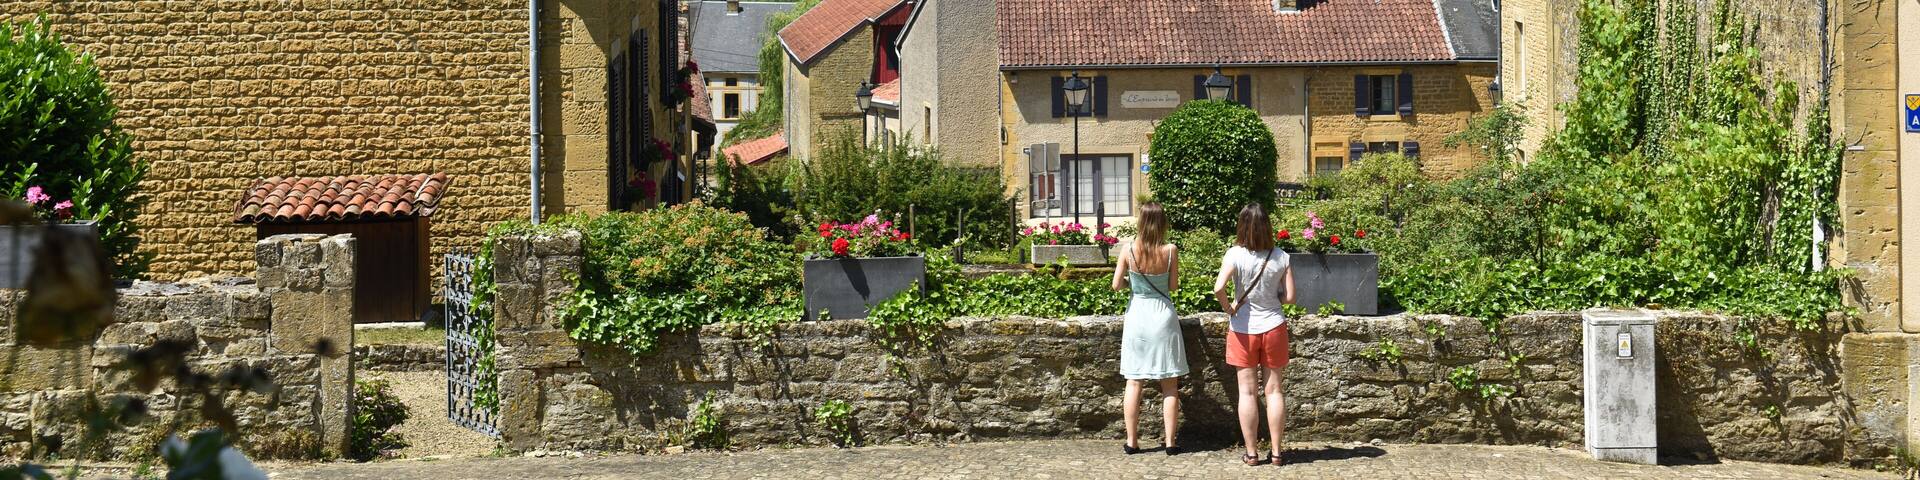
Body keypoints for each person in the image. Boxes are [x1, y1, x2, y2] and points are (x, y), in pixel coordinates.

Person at [1212, 202, 1295, 467]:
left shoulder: (1234, 254)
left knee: (1247, 392)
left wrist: (1229, 308)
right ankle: (1277, 452)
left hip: (1243, 329)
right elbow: (1290, 297)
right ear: (1267, 226)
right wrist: (1272, 298)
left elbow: (1218, 287)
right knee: (1274, 390)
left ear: (1242, 226)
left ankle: (1252, 453)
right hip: (1274, 326)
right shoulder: (1281, 256)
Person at [1111, 202, 1187, 455]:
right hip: (1163, 315)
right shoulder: (1170, 250)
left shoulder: (1128, 249)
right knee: (1170, 385)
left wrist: (1132, 283)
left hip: (1138, 316)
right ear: (1163, 223)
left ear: (1141, 222)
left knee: (1134, 382)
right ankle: (1171, 442)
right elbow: (1173, 286)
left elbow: (1116, 285)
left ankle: (1132, 441)